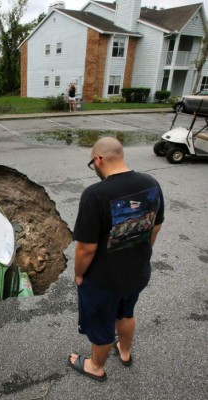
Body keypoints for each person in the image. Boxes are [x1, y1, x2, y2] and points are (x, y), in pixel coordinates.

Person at [69, 137, 164, 382]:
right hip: (138, 273)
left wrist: (79, 274)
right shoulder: (151, 183)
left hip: (104, 281)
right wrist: (141, 253)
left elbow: (86, 249)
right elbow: (155, 227)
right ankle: (124, 351)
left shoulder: (95, 194)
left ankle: (95, 367)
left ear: (98, 159)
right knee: (125, 313)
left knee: (101, 322)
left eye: (93, 163)